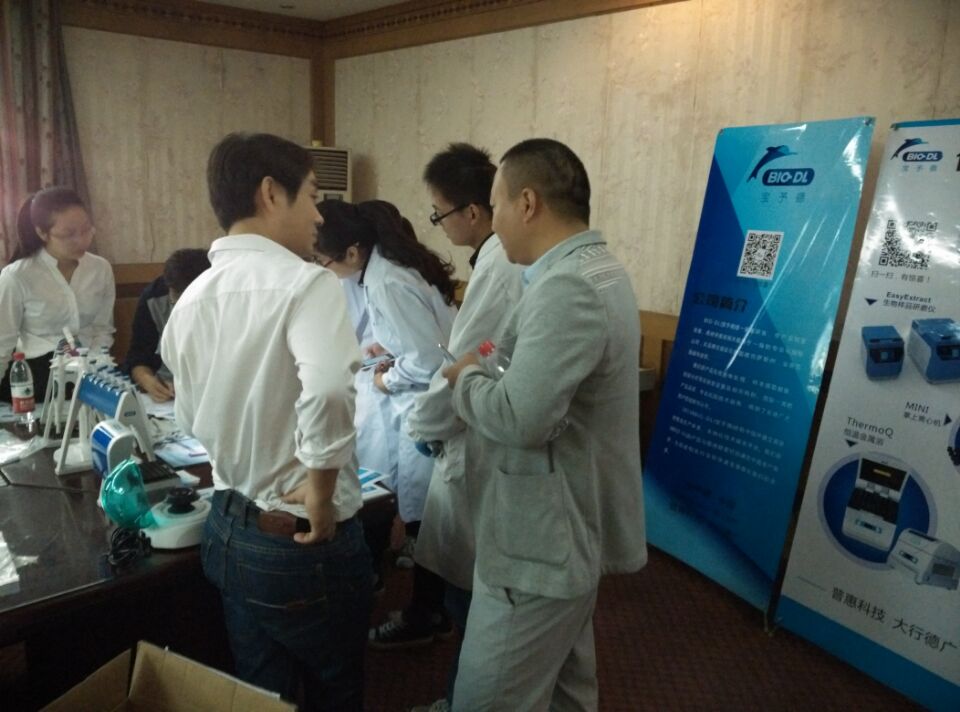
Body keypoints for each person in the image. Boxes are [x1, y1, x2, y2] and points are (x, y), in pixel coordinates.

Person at [160, 132, 372, 712]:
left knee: (259, 692)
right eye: (314, 195)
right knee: (335, 688)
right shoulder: (307, 283)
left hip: (227, 528)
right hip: (299, 539)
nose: (320, 214)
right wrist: (322, 488)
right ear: (271, 193)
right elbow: (329, 387)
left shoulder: (191, 299)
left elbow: (188, 416)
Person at [443, 138, 648, 711]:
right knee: (564, 691)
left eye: (496, 204)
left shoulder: (567, 286)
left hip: (539, 543)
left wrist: (464, 378)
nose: (493, 221)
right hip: (567, 522)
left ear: (527, 203)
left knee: (488, 698)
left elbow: (519, 417)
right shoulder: (596, 269)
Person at [405, 143, 523, 712]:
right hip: (478, 428)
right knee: (468, 591)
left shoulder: (499, 265)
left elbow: (465, 364)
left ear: (472, 212)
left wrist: (420, 424)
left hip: (478, 438)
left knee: (471, 600)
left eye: (439, 213)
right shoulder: (497, 259)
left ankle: (462, 701)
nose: (439, 223)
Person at [314, 199, 457, 648]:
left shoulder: (386, 280)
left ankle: (427, 613)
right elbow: (415, 339)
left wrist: (385, 378)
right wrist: (385, 351)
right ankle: (426, 606)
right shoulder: (385, 271)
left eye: (325, 260)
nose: (325, 268)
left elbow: (427, 359)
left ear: (351, 251)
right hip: (420, 397)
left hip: (423, 402)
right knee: (414, 506)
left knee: (422, 516)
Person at [0, 187, 114, 402]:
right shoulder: (16, 276)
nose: (81, 240)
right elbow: (2, 344)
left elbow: (102, 329)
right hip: (39, 374)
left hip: (89, 369)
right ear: (42, 233)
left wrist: (98, 366)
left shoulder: (100, 269)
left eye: (86, 230)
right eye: (69, 234)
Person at [124, 248, 210, 402]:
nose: (182, 308)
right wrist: (148, 381)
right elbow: (138, 357)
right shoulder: (153, 298)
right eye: (176, 300)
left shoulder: (224, 302)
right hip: (168, 393)